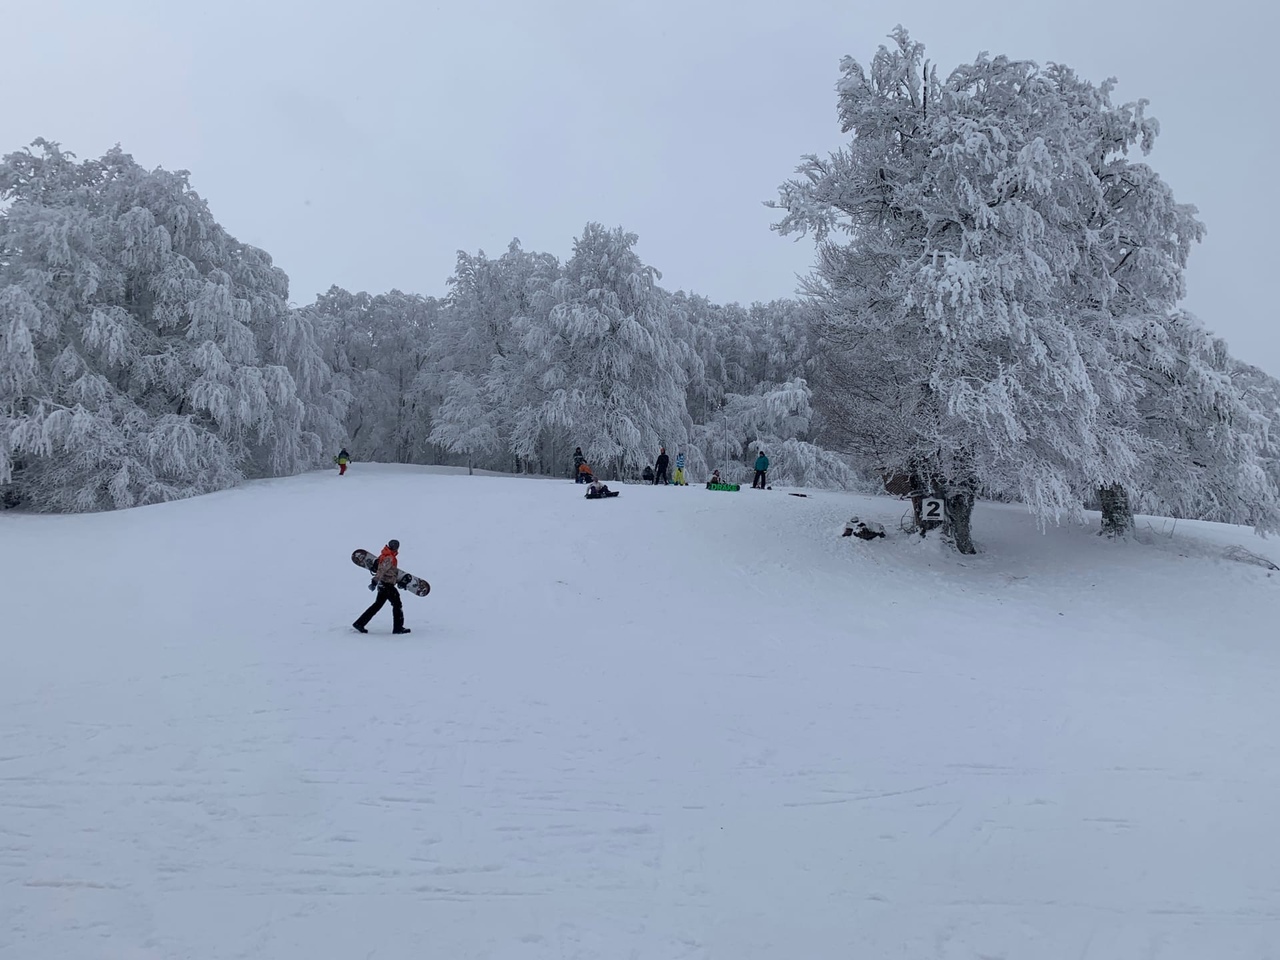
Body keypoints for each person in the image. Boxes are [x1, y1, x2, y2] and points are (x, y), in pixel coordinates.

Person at [353, 539, 410, 634]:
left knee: (377, 605)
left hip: (383, 585)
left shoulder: (384, 555)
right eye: (395, 546)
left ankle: (359, 623)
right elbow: (382, 570)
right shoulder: (389, 557)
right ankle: (398, 628)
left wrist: (396, 581)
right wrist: (375, 580)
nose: (396, 548)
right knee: (397, 604)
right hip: (387, 585)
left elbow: (386, 571)